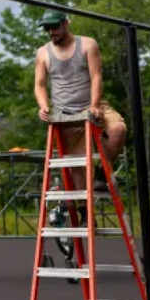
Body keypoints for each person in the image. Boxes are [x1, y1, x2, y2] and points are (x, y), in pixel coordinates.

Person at [33, 10, 127, 191]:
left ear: (65, 24)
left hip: (93, 105)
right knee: (76, 164)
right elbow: (40, 85)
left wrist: (94, 104)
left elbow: (96, 76)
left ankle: (102, 173)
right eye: (47, 28)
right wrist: (43, 106)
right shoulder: (43, 53)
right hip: (66, 115)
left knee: (118, 129)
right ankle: (85, 213)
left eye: (55, 27)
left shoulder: (87, 45)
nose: (52, 32)